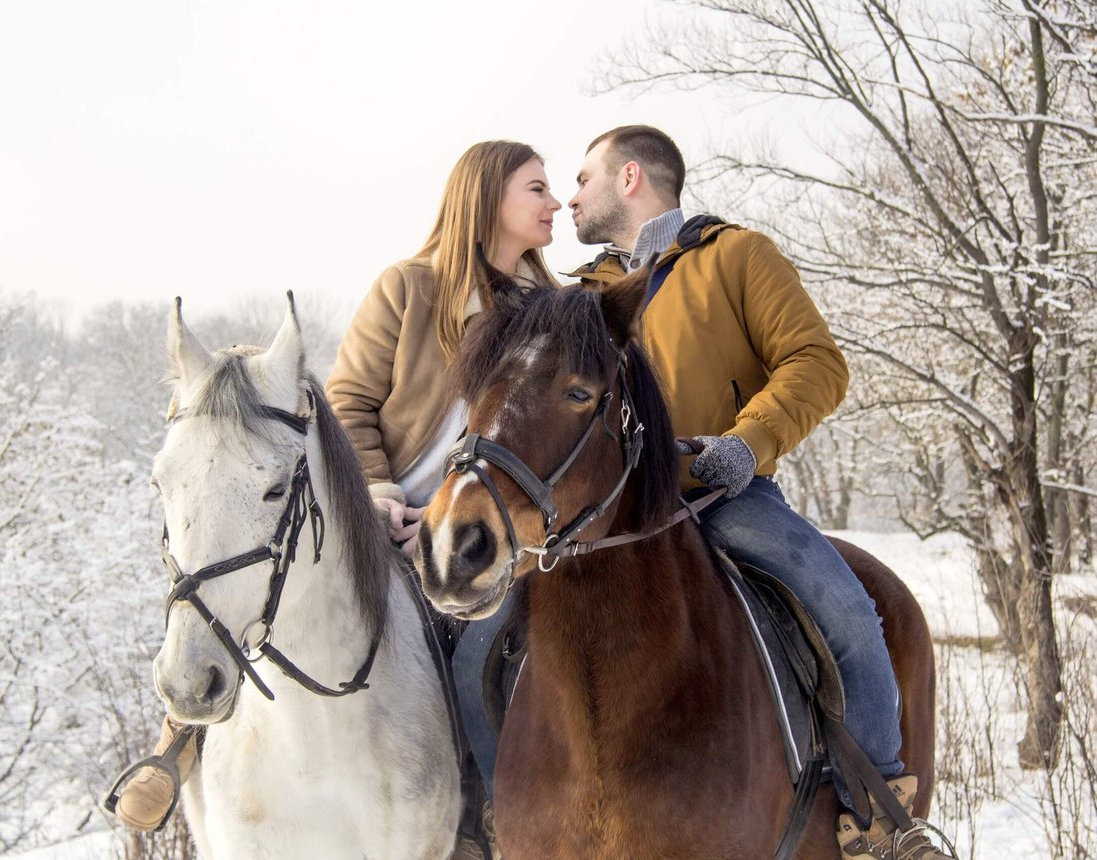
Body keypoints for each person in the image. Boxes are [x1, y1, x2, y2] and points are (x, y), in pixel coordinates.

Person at [110, 141, 561, 851]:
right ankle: (183, 741)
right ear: (486, 200)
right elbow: (349, 401)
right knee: (250, 577)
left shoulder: (548, 313)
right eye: (537, 189)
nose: (555, 202)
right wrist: (379, 491)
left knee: (505, 654)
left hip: (482, 530)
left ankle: (486, 813)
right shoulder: (408, 288)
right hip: (383, 516)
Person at [567, 124, 953, 860]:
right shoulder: (580, 295)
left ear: (629, 178)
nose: (571, 195)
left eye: (584, 178)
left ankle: (881, 824)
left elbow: (817, 361)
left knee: (844, 606)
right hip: (604, 520)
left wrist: (746, 446)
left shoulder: (737, 256)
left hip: (721, 500)